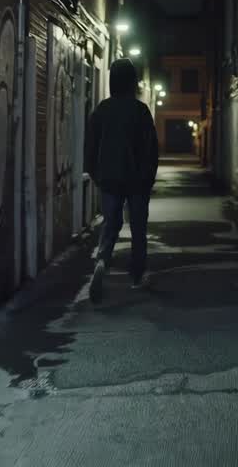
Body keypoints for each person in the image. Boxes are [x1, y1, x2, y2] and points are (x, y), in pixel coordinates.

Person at [84, 58, 159, 303]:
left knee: (111, 224)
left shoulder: (101, 110)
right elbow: (151, 149)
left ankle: (103, 261)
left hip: (109, 178)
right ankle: (136, 276)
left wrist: (96, 175)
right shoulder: (141, 111)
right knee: (138, 228)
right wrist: (147, 178)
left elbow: (90, 148)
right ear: (133, 82)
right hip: (137, 181)